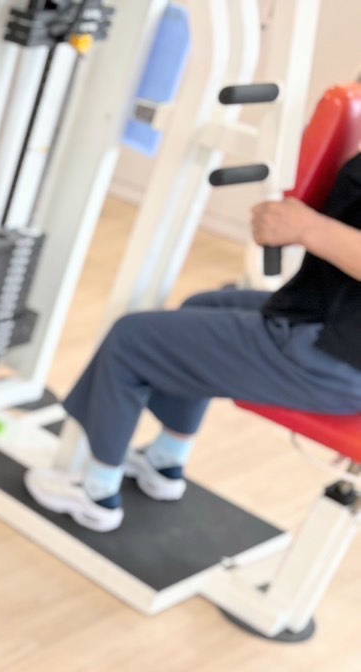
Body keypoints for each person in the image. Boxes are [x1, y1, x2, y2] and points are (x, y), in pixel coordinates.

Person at [25, 152, 361, 532]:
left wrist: (308, 228)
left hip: (329, 354)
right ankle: (165, 461)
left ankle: (96, 492)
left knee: (131, 340)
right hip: (323, 317)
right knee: (202, 307)